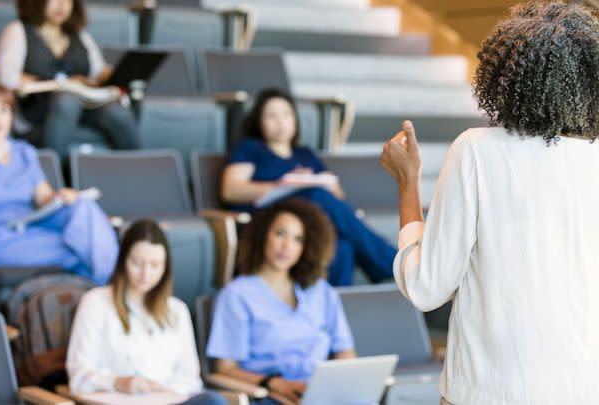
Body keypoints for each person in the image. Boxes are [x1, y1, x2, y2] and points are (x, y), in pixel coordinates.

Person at [380, 2, 599, 404]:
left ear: (505, 76)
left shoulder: (477, 151)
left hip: (488, 392)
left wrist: (407, 182)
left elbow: (427, 286)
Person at [221, 88, 396, 286]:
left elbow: (337, 195)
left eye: (286, 115)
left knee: (343, 244)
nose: (281, 122)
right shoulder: (250, 148)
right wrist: (282, 185)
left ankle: (335, 305)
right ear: (259, 121)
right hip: (268, 219)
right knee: (316, 195)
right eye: (272, 116)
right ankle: (389, 263)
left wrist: (312, 181)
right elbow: (231, 190)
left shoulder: (305, 154)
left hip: (309, 222)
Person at [207, 199, 356, 405]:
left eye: (298, 239)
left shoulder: (322, 292)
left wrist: (338, 386)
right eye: (280, 234)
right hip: (270, 394)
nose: (287, 246)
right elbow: (225, 369)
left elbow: (345, 351)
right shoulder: (236, 295)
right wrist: (273, 383)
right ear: (262, 236)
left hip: (320, 394)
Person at [67, 219, 227, 405]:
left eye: (155, 265)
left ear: (165, 267)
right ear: (123, 260)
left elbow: (190, 379)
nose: (145, 274)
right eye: (137, 263)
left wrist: (163, 390)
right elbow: (79, 374)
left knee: (213, 401)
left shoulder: (177, 310)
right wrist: (118, 382)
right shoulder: (96, 302)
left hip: (167, 400)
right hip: (118, 401)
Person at [0, 83, 117, 284]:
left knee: (82, 206)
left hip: (31, 225)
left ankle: (103, 278)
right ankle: (107, 282)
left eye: (4, 111)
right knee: (81, 246)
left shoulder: (23, 152)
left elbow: (43, 198)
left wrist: (59, 197)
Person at [0, 0, 139, 159]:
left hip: (84, 106)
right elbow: (6, 78)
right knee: (67, 101)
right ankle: (49, 175)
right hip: (38, 111)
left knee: (116, 110)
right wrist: (58, 83)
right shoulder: (18, 30)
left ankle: (140, 169)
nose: (62, 4)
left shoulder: (79, 34)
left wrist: (122, 73)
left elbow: (98, 71)